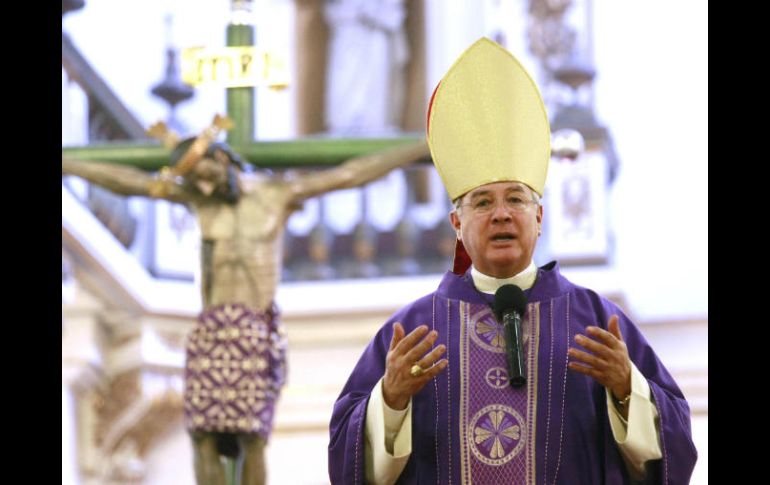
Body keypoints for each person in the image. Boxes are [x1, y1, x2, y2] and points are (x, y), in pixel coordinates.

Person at [328, 38, 697, 484]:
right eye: (482, 202)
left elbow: (675, 448)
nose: (501, 213)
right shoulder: (413, 332)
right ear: (456, 224)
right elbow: (347, 460)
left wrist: (626, 391)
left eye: (516, 199)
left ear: (539, 218)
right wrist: (390, 401)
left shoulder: (596, 322)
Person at [62, 115, 430, 485]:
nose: (204, 185)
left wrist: (420, 148)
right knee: (203, 433)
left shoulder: (275, 195)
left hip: (255, 327)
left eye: (206, 173)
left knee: (251, 435)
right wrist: (70, 163)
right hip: (212, 326)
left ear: (223, 160)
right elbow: (130, 184)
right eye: (195, 181)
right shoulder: (201, 202)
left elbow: (350, 175)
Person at [323, 0, 409, 135]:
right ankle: (346, 121)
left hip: (376, 31)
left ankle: (374, 122)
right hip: (349, 28)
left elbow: (392, 11)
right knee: (345, 77)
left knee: (376, 79)